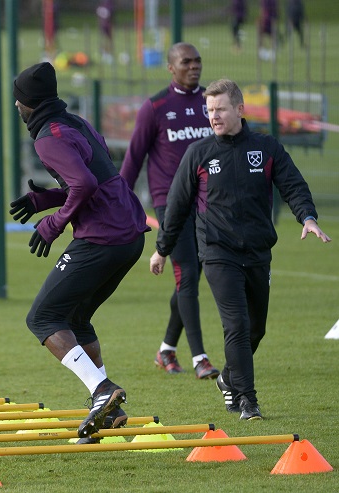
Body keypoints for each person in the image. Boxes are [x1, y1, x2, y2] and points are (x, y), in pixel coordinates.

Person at [149, 78, 331, 420]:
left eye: (220, 109)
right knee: (236, 324)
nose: (214, 116)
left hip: (258, 253)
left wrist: (307, 216)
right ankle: (247, 401)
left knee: (255, 329)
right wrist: (162, 249)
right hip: (218, 253)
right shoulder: (199, 153)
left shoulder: (266, 148)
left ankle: (229, 380)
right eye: (209, 110)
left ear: (240, 110)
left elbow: (293, 184)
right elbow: (176, 206)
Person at [10, 62, 150, 443]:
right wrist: (45, 198)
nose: (17, 107)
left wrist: (54, 223)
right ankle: (108, 408)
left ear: (26, 103)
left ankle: (103, 391)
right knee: (77, 317)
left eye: (17, 100)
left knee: (42, 318)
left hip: (103, 237)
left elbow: (84, 183)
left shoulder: (46, 138)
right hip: (130, 234)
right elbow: (97, 177)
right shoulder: (75, 123)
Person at [119, 42, 219, 380]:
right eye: (186, 62)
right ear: (171, 68)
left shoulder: (211, 102)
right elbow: (133, 159)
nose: (194, 66)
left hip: (207, 203)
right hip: (169, 203)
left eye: (198, 61)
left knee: (191, 278)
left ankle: (166, 350)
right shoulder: (156, 106)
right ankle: (201, 358)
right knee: (187, 274)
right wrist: (118, 202)